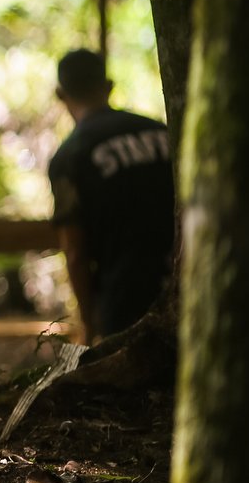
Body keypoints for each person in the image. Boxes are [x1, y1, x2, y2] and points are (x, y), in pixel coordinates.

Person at [48, 49, 175, 343]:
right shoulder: (163, 133)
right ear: (108, 86)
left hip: (124, 305)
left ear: (60, 94)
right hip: (189, 291)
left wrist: (90, 327)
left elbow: (76, 252)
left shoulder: (69, 158)